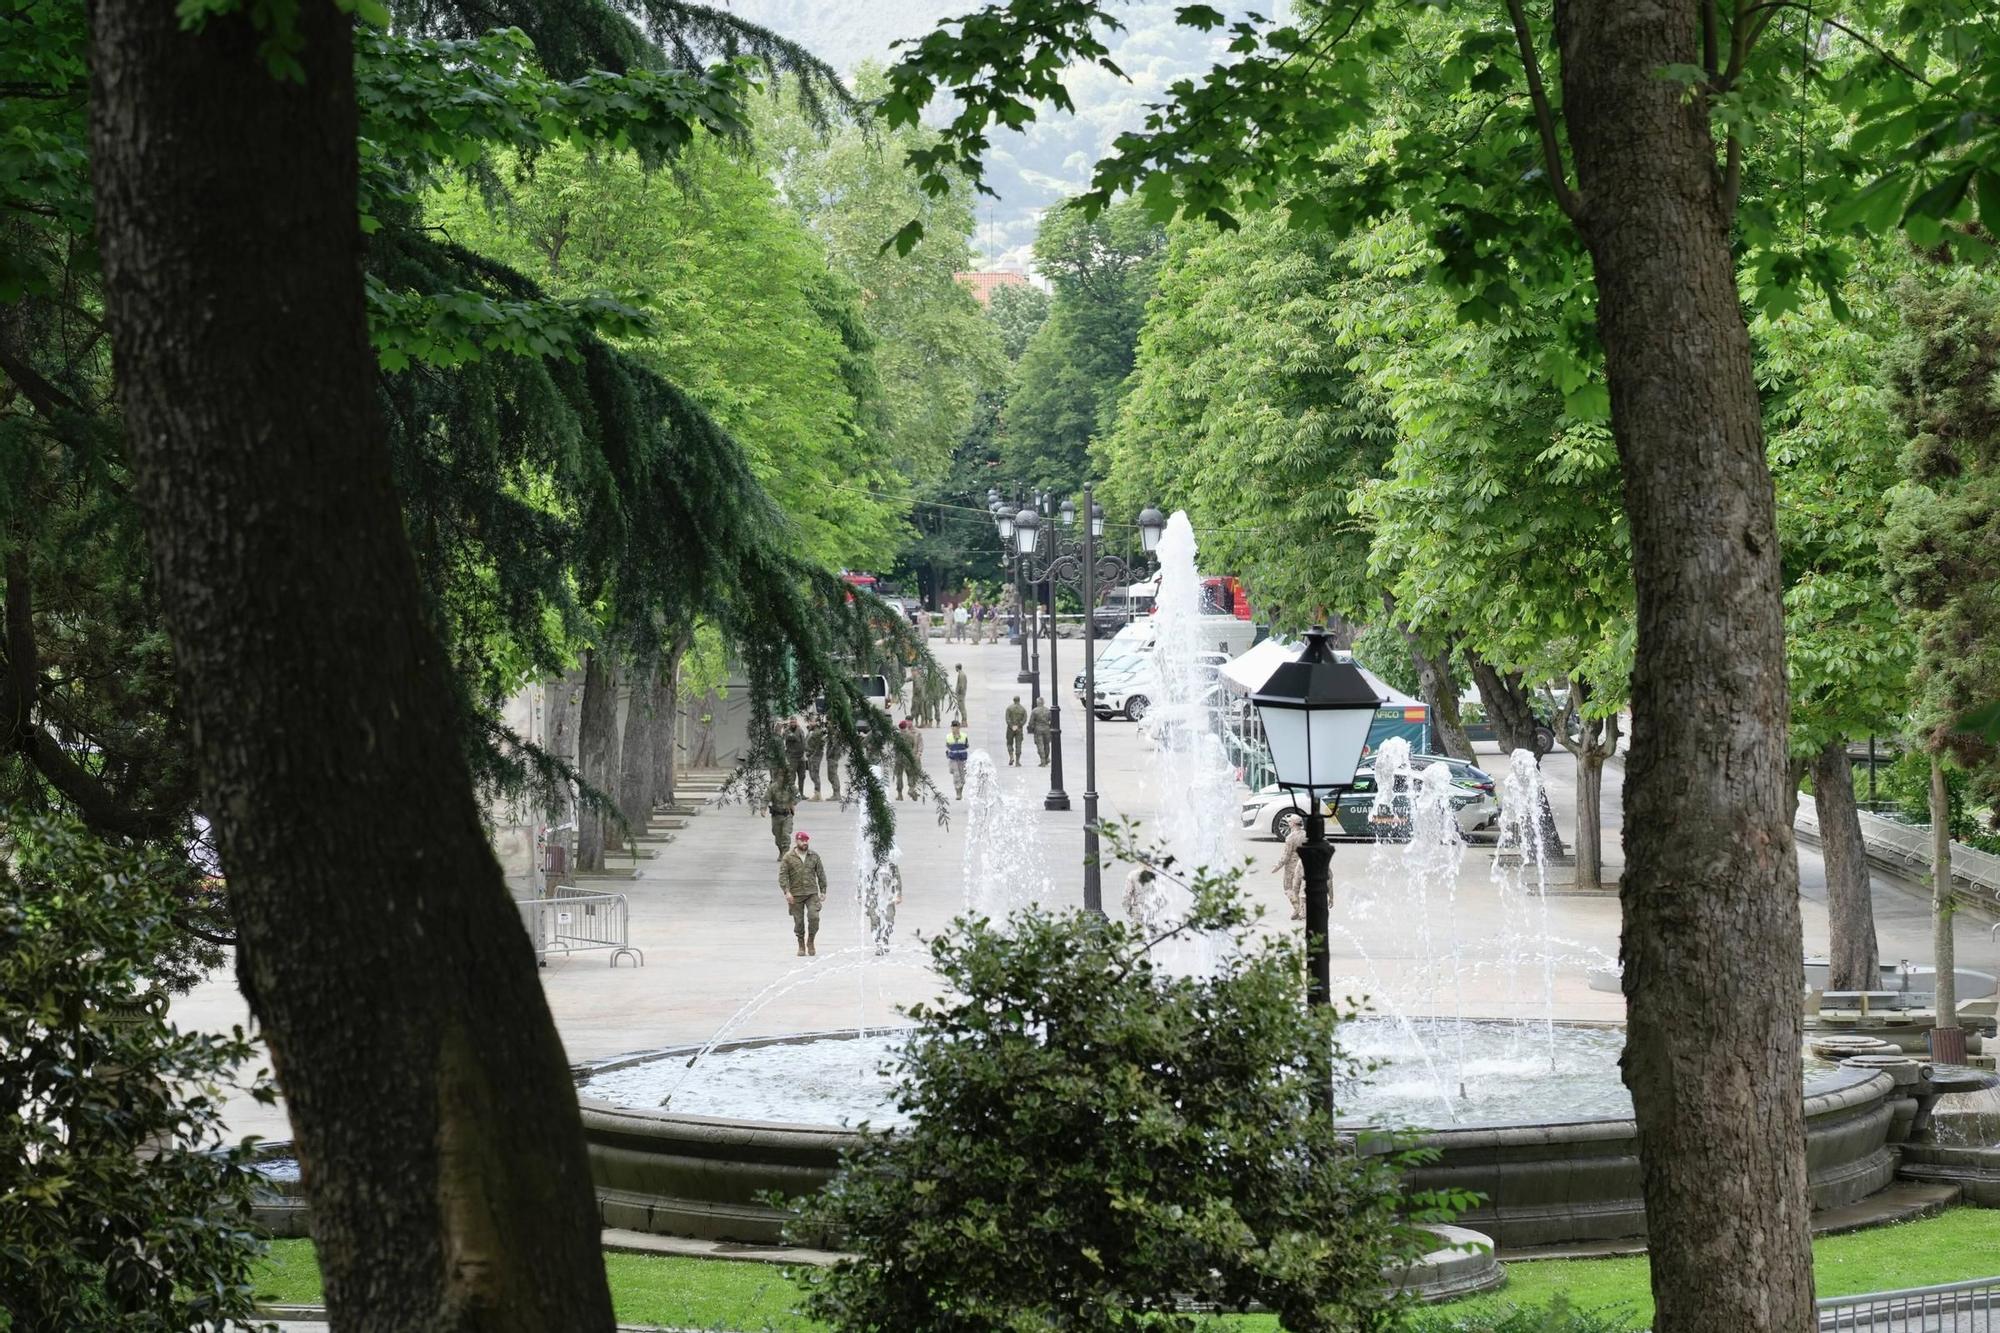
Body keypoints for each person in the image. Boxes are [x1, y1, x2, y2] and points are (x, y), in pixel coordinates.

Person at [780, 831, 828, 957]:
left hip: (811, 893)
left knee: (814, 917)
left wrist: (823, 890)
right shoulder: (788, 857)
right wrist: (787, 892)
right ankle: (801, 943)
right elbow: (783, 876)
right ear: (796, 841)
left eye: (807, 840)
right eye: (802, 840)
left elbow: (821, 873)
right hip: (795, 894)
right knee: (799, 921)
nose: (805, 843)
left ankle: (810, 940)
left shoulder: (814, 856)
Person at [864, 852, 903, 955]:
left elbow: (897, 878)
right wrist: (860, 894)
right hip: (872, 895)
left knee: (889, 918)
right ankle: (878, 944)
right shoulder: (869, 861)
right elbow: (862, 877)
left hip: (887, 894)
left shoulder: (891, 863)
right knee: (874, 920)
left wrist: (898, 894)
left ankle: (885, 939)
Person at [1274, 824, 1306, 921]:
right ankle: (1303, 911)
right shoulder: (1306, 834)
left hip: (1292, 867)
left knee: (1288, 888)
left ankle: (1297, 909)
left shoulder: (1290, 838)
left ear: (1292, 824)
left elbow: (1286, 856)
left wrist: (1277, 866)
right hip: (1304, 864)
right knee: (1301, 888)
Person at [768, 765, 798, 858]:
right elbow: (765, 798)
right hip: (776, 815)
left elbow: (798, 796)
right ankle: (781, 850)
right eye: (779, 775)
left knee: (785, 833)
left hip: (787, 815)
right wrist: (763, 808)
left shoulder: (791, 787)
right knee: (777, 836)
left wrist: (792, 803)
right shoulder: (772, 787)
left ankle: (785, 851)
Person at [1124, 865, 1163, 932]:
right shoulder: (1156, 876)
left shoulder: (1132, 874)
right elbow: (1161, 897)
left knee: (1139, 936)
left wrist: (1129, 911)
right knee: (1151, 936)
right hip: (1150, 911)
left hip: (1139, 911)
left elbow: (1127, 897)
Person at [893, 717, 924, 800]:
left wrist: (919, 753)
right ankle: (910, 789)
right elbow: (914, 745)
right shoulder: (910, 736)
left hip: (900, 758)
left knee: (900, 775)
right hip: (908, 758)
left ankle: (903, 793)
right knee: (910, 774)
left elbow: (894, 747)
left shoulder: (896, 736)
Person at [803, 717, 828, 800]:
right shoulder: (811, 731)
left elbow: (822, 743)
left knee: (815, 774)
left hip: (815, 755)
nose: (810, 723)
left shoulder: (819, 731)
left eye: (812, 721)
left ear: (816, 723)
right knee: (811, 774)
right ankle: (816, 793)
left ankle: (818, 794)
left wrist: (814, 753)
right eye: (810, 721)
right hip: (810, 755)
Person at [944, 719, 970, 798]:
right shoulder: (948, 736)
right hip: (953, 759)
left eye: (956, 726)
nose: (954, 728)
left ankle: (960, 792)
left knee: (962, 776)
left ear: (959, 727)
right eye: (953, 727)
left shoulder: (964, 736)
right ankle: (958, 793)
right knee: (956, 775)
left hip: (962, 759)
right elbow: (948, 746)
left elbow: (967, 745)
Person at [783, 719, 808, 795]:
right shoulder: (787, 731)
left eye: (794, 722)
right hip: (792, 757)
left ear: (797, 722)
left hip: (801, 757)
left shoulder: (800, 730)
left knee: (802, 776)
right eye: (791, 722)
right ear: (789, 723)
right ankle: (792, 794)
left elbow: (803, 741)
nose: (793, 723)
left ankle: (801, 794)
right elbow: (794, 738)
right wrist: (798, 730)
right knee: (792, 777)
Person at [1004, 695, 1027, 766]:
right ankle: (1017, 761)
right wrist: (1019, 725)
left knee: (1009, 743)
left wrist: (1011, 726)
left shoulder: (1009, 708)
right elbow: (1024, 719)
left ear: (1013, 700)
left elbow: (1007, 718)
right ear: (1019, 700)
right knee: (1018, 744)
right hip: (1019, 729)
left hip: (1010, 729)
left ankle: (1011, 756)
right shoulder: (1023, 709)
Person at [1029, 697, 1051, 766]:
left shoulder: (1035, 711)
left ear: (1037, 703)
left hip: (1038, 729)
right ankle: (1047, 758)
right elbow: (1052, 720)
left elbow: (1031, 722)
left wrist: (1032, 728)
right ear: (1043, 702)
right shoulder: (1048, 710)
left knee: (1040, 745)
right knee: (1047, 744)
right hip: (1047, 729)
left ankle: (1043, 760)